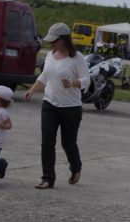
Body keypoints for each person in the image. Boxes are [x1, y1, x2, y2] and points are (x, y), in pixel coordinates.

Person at [24, 23, 90, 189]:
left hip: (71, 107)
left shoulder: (77, 58)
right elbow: (44, 76)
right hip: (50, 104)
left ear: (64, 39)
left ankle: (76, 167)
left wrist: (72, 83)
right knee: (47, 142)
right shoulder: (50, 55)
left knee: (68, 143)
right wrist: (31, 90)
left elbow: (86, 80)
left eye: (54, 41)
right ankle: (48, 178)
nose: (52, 44)